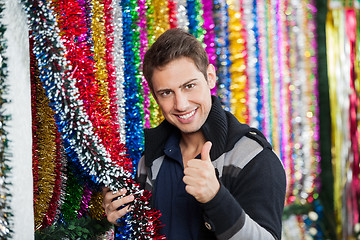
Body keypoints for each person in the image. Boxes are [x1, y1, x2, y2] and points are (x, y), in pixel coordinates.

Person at [102, 28, 286, 240]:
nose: (181, 104)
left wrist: (215, 197)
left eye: (189, 86)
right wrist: (121, 219)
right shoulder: (145, 158)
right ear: (155, 96)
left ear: (210, 77)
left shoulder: (254, 158)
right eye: (167, 93)